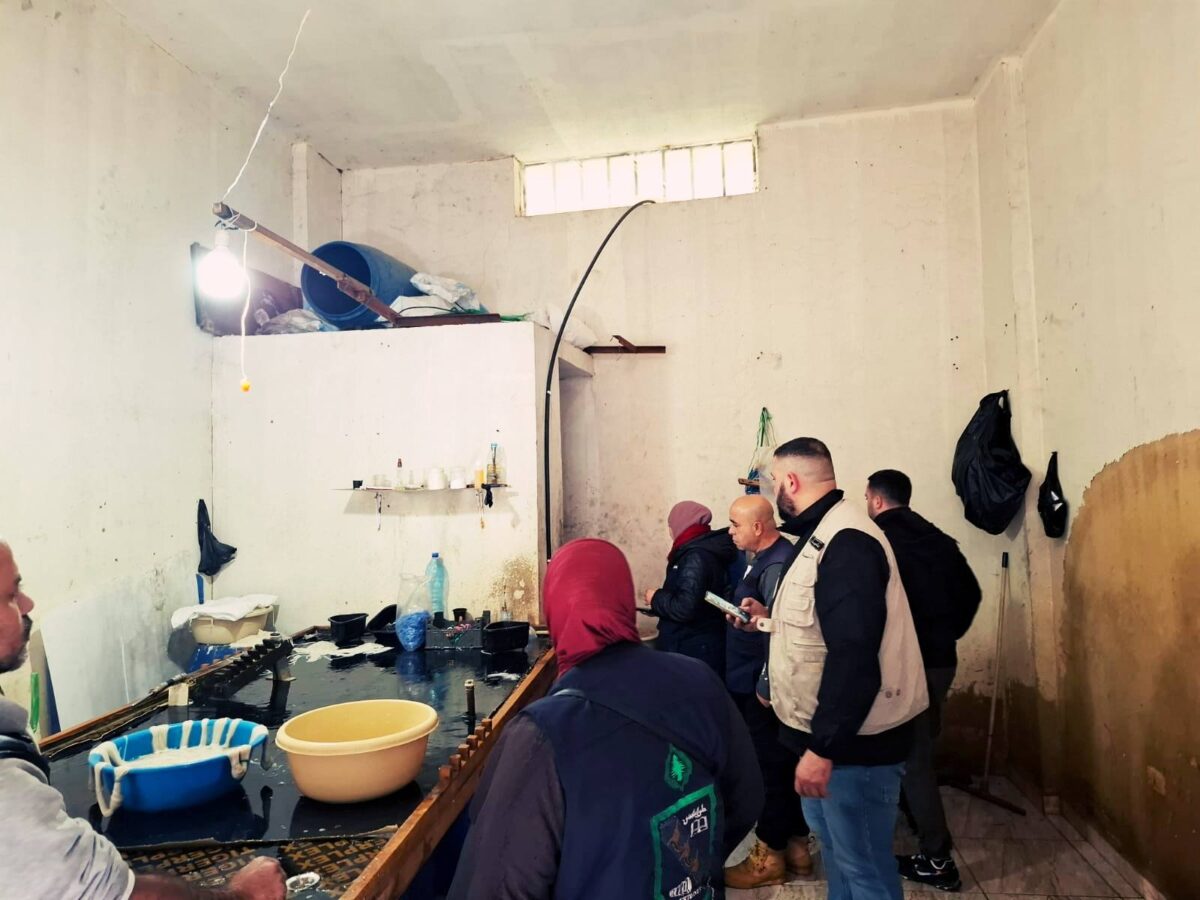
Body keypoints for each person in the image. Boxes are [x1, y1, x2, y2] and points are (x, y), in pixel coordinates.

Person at [450, 538, 762, 900]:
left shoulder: (541, 736)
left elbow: (495, 883)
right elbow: (746, 798)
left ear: (556, 610)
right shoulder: (700, 680)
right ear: (623, 601)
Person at [0, 539, 286, 900]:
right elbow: (118, 895)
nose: (28, 604)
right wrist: (241, 896)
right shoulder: (8, 793)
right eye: (11, 596)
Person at [755, 439, 929, 900]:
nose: (773, 490)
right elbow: (817, 626)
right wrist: (767, 623)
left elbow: (854, 655)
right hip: (831, 740)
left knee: (864, 867)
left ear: (791, 481)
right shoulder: (822, 533)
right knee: (840, 857)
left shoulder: (847, 541)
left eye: (774, 481)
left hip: (855, 747)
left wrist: (823, 748)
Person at [866, 469, 982, 892]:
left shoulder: (879, 542)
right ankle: (917, 819)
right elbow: (972, 595)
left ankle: (938, 860)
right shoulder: (940, 540)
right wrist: (944, 635)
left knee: (913, 760)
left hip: (905, 666)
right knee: (920, 747)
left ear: (876, 500)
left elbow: (870, 607)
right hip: (941, 660)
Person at [721, 496, 813, 889]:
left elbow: (783, 637)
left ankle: (769, 855)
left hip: (764, 687)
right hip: (757, 679)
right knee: (781, 764)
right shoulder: (764, 559)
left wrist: (766, 684)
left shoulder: (777, 564)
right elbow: (770, 620)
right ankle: (796, 847)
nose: (730, 531)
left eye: (735, 524)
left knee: (771, 770)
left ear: (758, 527)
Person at [645, 501, 737, 676]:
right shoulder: (699, 549)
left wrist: (655, 597)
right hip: (697, 645)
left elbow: (685, 607)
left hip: (692, 647)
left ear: (681, 524)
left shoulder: (696, 556)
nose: (669, 530)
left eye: (671, 524)